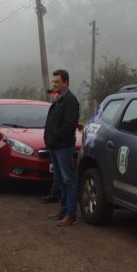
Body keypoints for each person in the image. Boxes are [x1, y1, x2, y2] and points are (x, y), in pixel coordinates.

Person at [45, 69, 80, 227]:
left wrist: (55, 137)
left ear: (65, 83)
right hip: (55, 146)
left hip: (63, 146)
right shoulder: (59, 98)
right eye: (53, 81)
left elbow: (69, 124)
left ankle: (71, 214)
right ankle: (64, 210)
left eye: (57, 82)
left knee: (69, 180)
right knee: (61, 180)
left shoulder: (70, 100)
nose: (54, 84)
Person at [40, 89, 61, 204]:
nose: (53, 95)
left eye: (54, 93)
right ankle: (54, 193)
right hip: (52, 143)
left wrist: (55, 138)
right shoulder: (54, 105)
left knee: (63, 173)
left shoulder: (61, 106)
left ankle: (58, 195)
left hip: (59, 144)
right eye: (52, 93)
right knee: (57, 172)